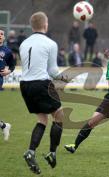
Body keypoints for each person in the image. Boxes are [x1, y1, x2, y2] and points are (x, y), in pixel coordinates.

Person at [19, 11, 67, 174]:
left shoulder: (23, 44)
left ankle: (31, 151)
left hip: (25, 85)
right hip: (41, 84)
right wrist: (64, 78)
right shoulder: (50, 43)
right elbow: (52, 71)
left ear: (33, 26)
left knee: (42, 119)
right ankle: (52, 153)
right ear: (45, 25)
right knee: (59, 116)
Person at [0, 28, 15, 140]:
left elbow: (12, 66)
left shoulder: (7, 51)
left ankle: (5, 126)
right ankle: (4, 126)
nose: (0, 35)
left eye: (1, 34)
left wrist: (8, 71)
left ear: (4, 37)